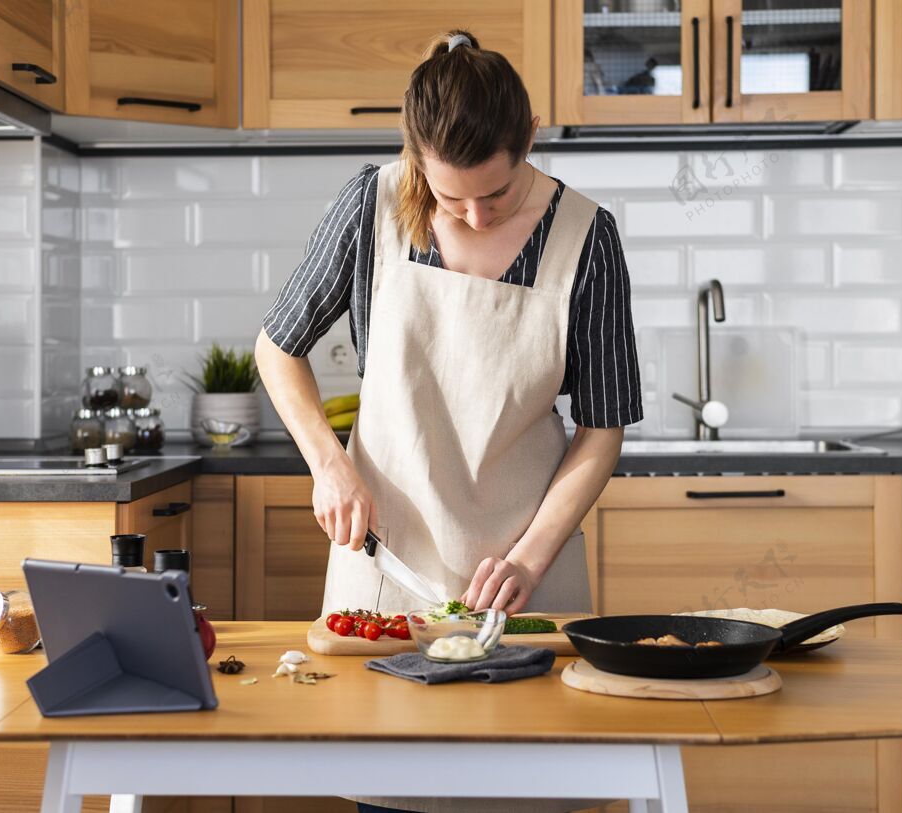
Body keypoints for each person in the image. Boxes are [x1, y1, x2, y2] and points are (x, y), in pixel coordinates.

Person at [255, 30, 640, 811]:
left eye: (492, 195)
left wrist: (530, 557)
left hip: (525, 586)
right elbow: (277, 347)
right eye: (446, 194)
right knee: (391, 793)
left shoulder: (586, 238)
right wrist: (329, 462)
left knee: (531, 792)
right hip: (385, 579)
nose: (467, 212)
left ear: (528, 138)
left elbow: (602, 429)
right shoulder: (372, 205)